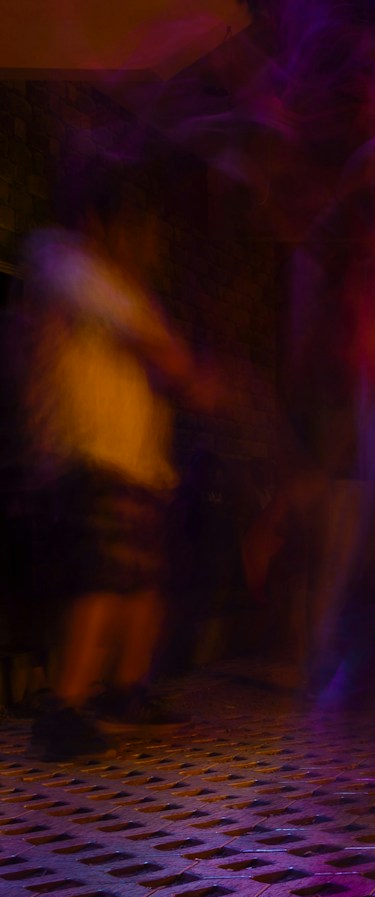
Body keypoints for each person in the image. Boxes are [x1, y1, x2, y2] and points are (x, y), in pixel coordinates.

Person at [17, 193, 220, 760]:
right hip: (90, 455)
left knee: (141, 582)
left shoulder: (123, 286)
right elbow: (148, 343)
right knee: (101, 579)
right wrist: (190, 375)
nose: (149, 245)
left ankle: (125, 693)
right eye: (141, 230)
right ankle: (63, 709)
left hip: (132, 463)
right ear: (105, 220)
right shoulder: (63, 258)